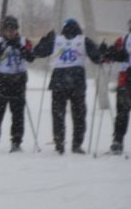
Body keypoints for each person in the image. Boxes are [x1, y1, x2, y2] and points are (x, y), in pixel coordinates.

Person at [32, 18, 105, 154]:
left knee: (58, 114)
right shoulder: (84, 40)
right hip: (77, 80)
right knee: (79, 114)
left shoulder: (56, 40)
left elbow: (37, 53)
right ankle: (77, 144)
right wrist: (102, 52)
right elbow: (97, 58)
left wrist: (45, 40)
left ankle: (59, 142)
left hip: (59, 79)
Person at [0, 15, 36, 152]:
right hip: (1, 80)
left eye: (13, 29)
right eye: (7, 29)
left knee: (18, 113)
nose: (10, 32)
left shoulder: (25, 42)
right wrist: (1, 50)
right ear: (3, 30)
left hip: (18, 80)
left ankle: (16, 142)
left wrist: (20, 46)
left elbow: (31, 57)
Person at [100, 18, 130, 155]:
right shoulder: (123, 39)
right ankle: (117, 142)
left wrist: (107, 54)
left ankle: (117, 141)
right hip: (126, 79)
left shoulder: (123, 39)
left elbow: (111, 56)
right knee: (122, 113)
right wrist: (105, 53)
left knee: (122, 113)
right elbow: (109, 56)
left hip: (125, 79)